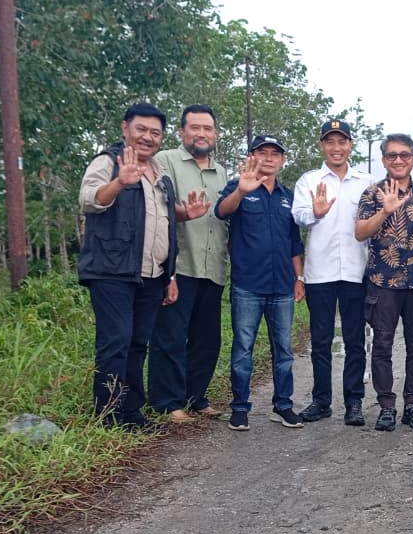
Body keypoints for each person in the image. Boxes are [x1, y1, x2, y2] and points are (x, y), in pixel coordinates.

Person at [78, 102, 209, 430]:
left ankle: (132, 411)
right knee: (116, 341)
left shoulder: (160, 175)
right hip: (112, 271)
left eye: (155, 132)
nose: (148, 137)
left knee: (139, 343)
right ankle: (108, 414)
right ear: (125, 129)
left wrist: (184, 217)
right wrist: (120, 182)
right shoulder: (108, 163)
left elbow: (160, 219)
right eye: (141, 130)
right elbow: (90, 200)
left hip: (152, 274)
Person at [214, 135, 306, 431]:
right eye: (262, 152)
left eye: (275, 153)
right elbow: (221, 211)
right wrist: (241, 191)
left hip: (282, 284)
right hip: (247, 284)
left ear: (282, 160)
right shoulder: (239, 186)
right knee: (243, 348)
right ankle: (240, 407)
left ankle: (283, 405)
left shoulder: (288, 196)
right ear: (252, 157)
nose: (268, 158)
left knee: (284, 349)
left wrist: (299, 277)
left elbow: (294, 241)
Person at [148, 104, 229, 422]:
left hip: (213, 267)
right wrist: (182, 213)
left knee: (207, 339)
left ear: (215, 134)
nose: (201, 134)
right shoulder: (165, 161)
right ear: (182, 132)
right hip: (178, 266)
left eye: (207, 128)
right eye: (195, 128)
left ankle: (196, 397)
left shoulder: (221, 172)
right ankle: (168, 402)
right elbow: (154, 207)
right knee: (170, 336)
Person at [292, 119, 372, 426]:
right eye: (330, 142)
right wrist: (316, 211)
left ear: (350, 145)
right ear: (321, 145)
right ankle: (321, 401)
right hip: (320, 273)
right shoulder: (309, 180)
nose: (336, 148)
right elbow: (298, 216)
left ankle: (354, 401)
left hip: (356, 270)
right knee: (321, 340)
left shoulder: (365, 181)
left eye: (342, 142)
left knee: (354, 339)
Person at [355, 133, 413, 431]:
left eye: (404, 155)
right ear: (384, 160)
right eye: (392, 156)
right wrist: (385, 211)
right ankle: (386, 405)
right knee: (382, 346)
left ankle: (412, 405)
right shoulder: (371, 193)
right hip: (382, 283)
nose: (398, 160)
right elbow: (361, 232)